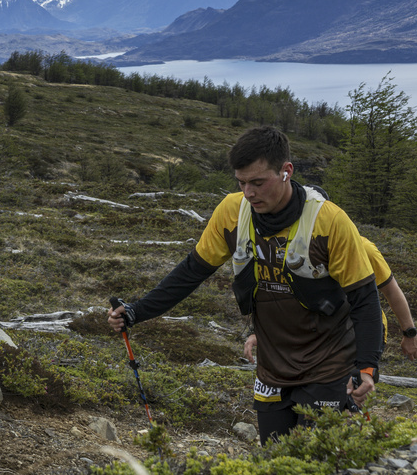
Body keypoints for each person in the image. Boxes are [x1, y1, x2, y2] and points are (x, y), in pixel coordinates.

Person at [108, 126, 384, 443]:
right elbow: (191, 272)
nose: (249, 193)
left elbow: (365, 299)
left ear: (286, 171)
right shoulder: (232, 212)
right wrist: (137, 311)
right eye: (241, 183)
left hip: (330, 365)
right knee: (273, 457)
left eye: (258, 182)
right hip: (272, 367)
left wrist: (366, 367)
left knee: (317, 458)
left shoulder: (330, 221)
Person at [243, 236, 417, 363]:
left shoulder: (361, 248)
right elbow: (280, 295)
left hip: (360, 330)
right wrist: (258, 331)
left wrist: (409, 333)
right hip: (314, 330)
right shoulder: (293, 250)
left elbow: (391, 291)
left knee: (348, 391)